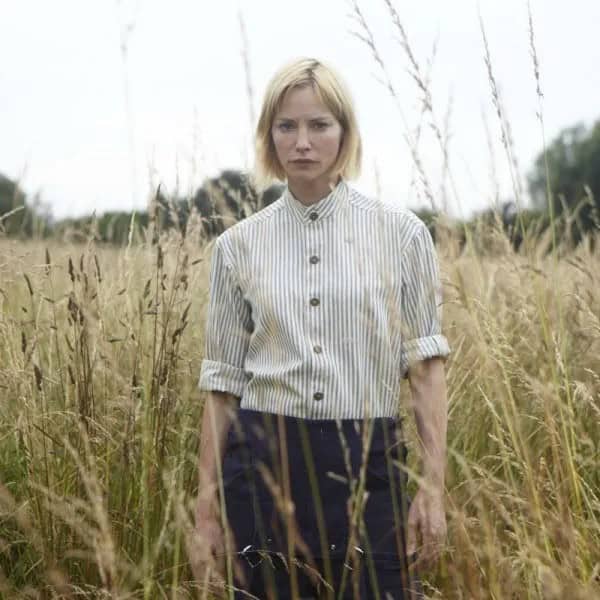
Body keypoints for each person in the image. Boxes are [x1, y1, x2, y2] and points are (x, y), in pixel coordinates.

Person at [193, 57, 450, 600]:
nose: (302, 142)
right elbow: (221, 387)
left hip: (367, 463)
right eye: (287, 126)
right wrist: (205, 508)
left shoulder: (402, 236)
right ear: (269, 136)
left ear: (345, 133)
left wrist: (432, 487)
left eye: (319, 125)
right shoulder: (237, 246)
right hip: (262, 466)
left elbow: (425, 372)